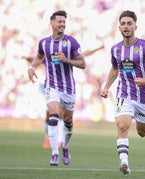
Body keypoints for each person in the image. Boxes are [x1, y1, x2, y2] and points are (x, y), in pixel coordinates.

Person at [100, 10, 145, 175]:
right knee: (122, 125)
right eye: (123, 24)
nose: (126, 27)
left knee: (142, 132)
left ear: (136, 26)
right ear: (119, 27)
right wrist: (106, 87)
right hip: (124, 94)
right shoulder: (115, 49)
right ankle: (124, 163)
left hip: (144, 97)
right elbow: (115, 69)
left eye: (129, 23)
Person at [27, 10, 85, 166]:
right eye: (59, 21)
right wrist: (32, 67)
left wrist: (67, 60)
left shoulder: (72, 42)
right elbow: (40, 56)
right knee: (53, 116)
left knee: (68, 121)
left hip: (69, 89)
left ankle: (65, 147)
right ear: (52, 23)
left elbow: (82, 63)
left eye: (64, 22)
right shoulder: (44, 43)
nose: (62, 24)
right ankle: (54, 153)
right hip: (51, 86)